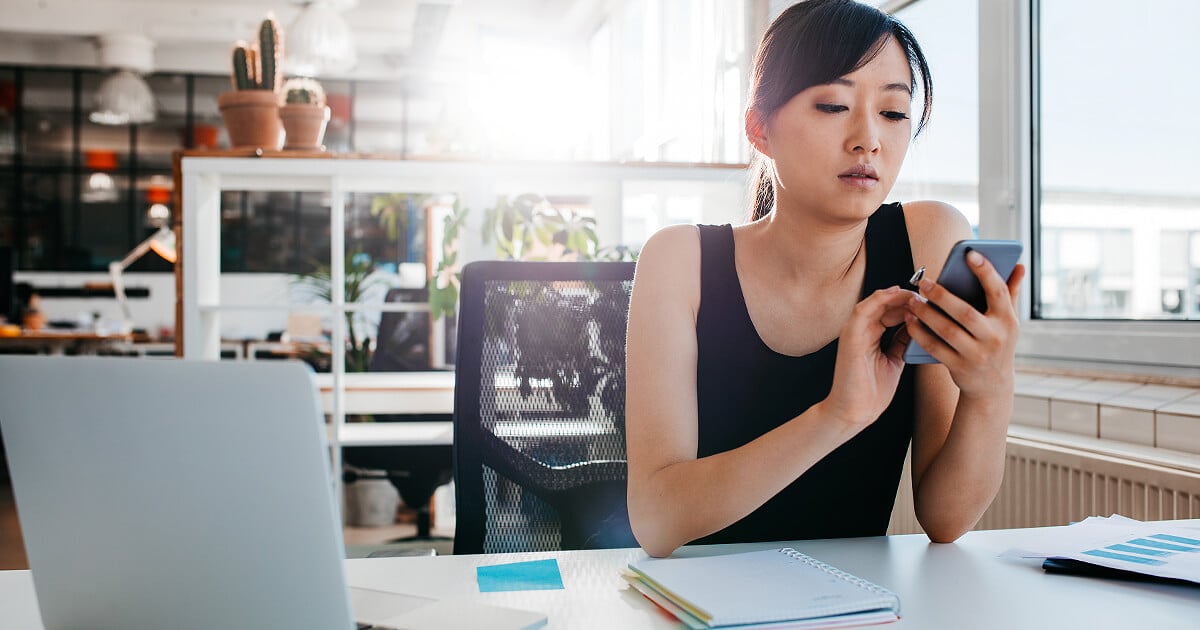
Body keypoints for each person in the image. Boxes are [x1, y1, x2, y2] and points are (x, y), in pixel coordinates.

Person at [625, 0, 1026, 558]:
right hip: (695, 604)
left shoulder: (929, 239)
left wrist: (991, 388)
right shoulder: (679, 260)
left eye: (892, 113)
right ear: (759, 128)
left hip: (857, 606)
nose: (868, 139)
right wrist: (837, 416)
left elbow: (946, 518)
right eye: (834, 104)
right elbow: (655, 519)